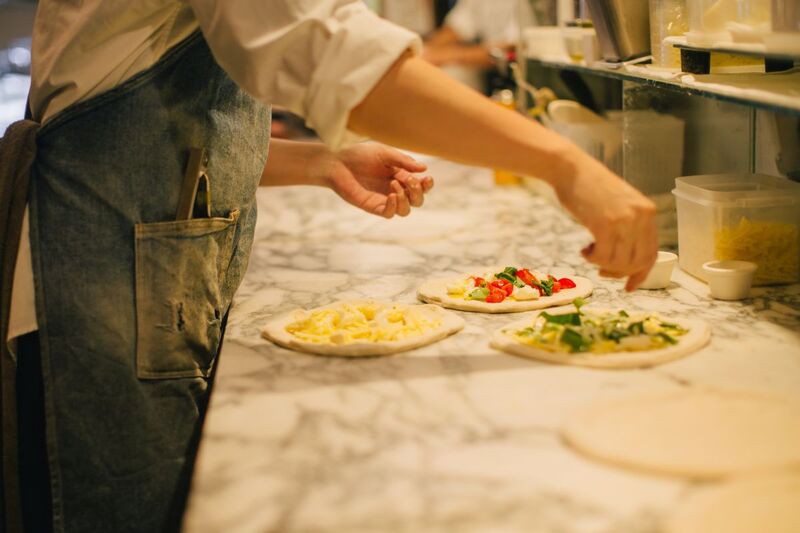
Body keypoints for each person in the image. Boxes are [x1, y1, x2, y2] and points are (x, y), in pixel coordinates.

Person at [0, 1, 657, 532]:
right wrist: (563, 163)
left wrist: (320, 160)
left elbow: (159, 140)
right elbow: (315, 45)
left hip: (135, 276)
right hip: (90, 290)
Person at [422, 0, 535, 91]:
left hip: (519, 80)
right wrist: (423, 50)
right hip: (491, 75)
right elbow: (457, 27)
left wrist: (450, 56)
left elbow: (512, 48)